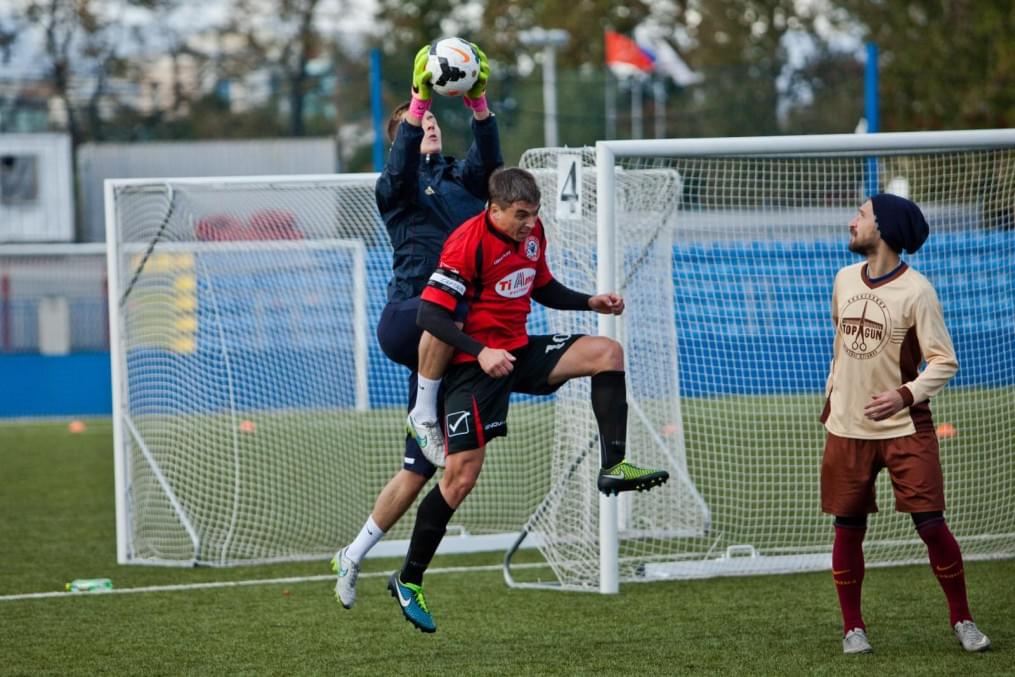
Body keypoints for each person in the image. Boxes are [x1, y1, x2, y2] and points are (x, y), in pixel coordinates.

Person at [387, 167, 670, 633]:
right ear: (494, 209)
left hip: (517, 352)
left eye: (534, 214)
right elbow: (430, 317)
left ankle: (614, 466)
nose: (529, 223)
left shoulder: (533, 234)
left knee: (607, 352)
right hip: (473, 367)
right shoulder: (466, 243)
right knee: (460, 479)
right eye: (520, 215)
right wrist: (481, 351)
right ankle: (409, 579)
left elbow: (541, 286)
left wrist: (589, 302)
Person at [330, 41, 501, 610]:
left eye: (431, 121)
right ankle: (426, 408)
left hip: (446, 341)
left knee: (420, 467)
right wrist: (418, 101)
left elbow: (490, 165)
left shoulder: (461, 180)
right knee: (450, 305)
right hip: (410, 316)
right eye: (417, 122)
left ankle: (352, 554)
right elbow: (400, 161)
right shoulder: (395, 188)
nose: (427, 124)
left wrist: (479, 106)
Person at [820, 193, 990, 654]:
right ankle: (853, 628)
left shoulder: (918, 291)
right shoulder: (843, 279)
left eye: (861, 215)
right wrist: (836, 392)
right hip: (847, 429)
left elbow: (944, 361)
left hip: (905, 428)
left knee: (931, 524)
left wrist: (904, 394)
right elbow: (840, 342)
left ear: (884, 228)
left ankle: (963, 619)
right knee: (847, 528)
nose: (852, 221)